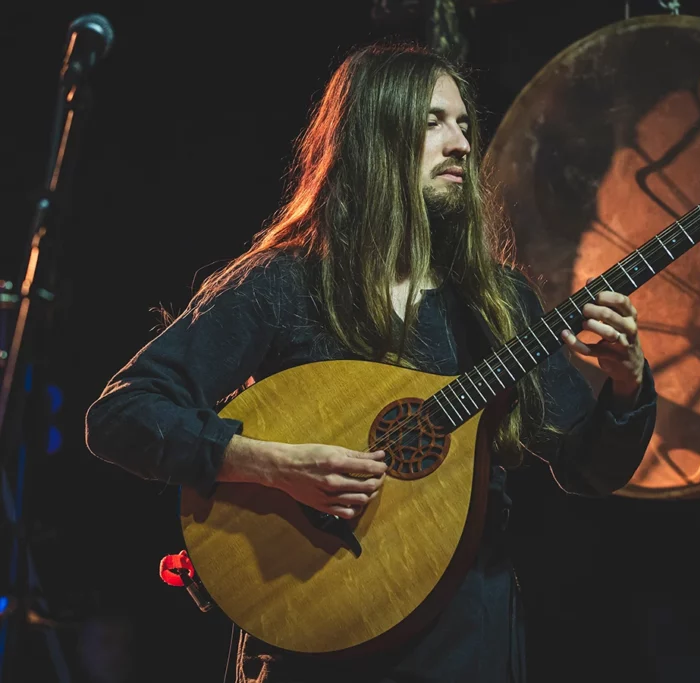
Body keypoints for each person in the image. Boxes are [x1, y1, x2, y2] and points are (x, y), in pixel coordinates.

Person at [84, 42, 657, 683]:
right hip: (310, 629)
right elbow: (123, 415)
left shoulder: (497, 303)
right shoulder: (285, 283)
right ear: (374, 140)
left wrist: (628, 385)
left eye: (466, 124)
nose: (462, 144)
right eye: (433, 123)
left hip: (465, 638)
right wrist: (274, 466)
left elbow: (588, 469)